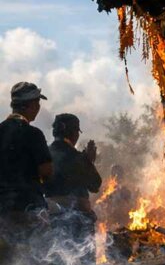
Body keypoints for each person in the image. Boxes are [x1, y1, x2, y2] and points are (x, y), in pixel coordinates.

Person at [0, 81, 53, 221]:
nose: (38, 108)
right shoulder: (33, 134)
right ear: (31, 105)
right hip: (29, 209)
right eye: (37, 103)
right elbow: (46, 171)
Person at [45, 113, 102, 236]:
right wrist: (89, 161)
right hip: (77, 218)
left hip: (51, 217)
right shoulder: (76, 157)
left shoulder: (45, 154)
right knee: (81, 254)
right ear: (73, 133)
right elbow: (95, 185)